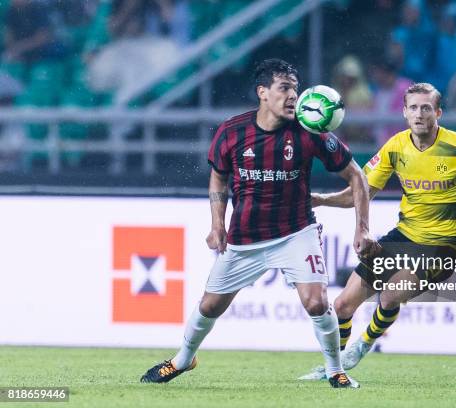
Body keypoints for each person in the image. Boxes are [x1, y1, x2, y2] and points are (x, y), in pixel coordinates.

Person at [140, 59, 376, 388]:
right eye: (284, 88)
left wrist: (361, 227)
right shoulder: (232, 131)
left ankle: (335, 369)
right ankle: (182, 359)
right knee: (209, 306)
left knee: (316, 301)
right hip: (245, 239)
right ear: (262, 92)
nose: (293, 95)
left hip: (297, 233)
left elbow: (357, 177)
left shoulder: (311, 132)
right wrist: (217, 224)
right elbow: (218, 178)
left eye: (295, 87)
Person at [299, 83, 456, 379]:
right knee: (342, 304)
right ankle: (333, 369)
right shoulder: (396, 147)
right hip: (404, 236)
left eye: (426, 108)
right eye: (413, 108)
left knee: (391, 295)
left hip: (444, 246)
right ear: (404, 112)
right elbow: (360, 193)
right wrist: (321, 199)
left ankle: (361, 346)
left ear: (438, 113)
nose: (419, 114)